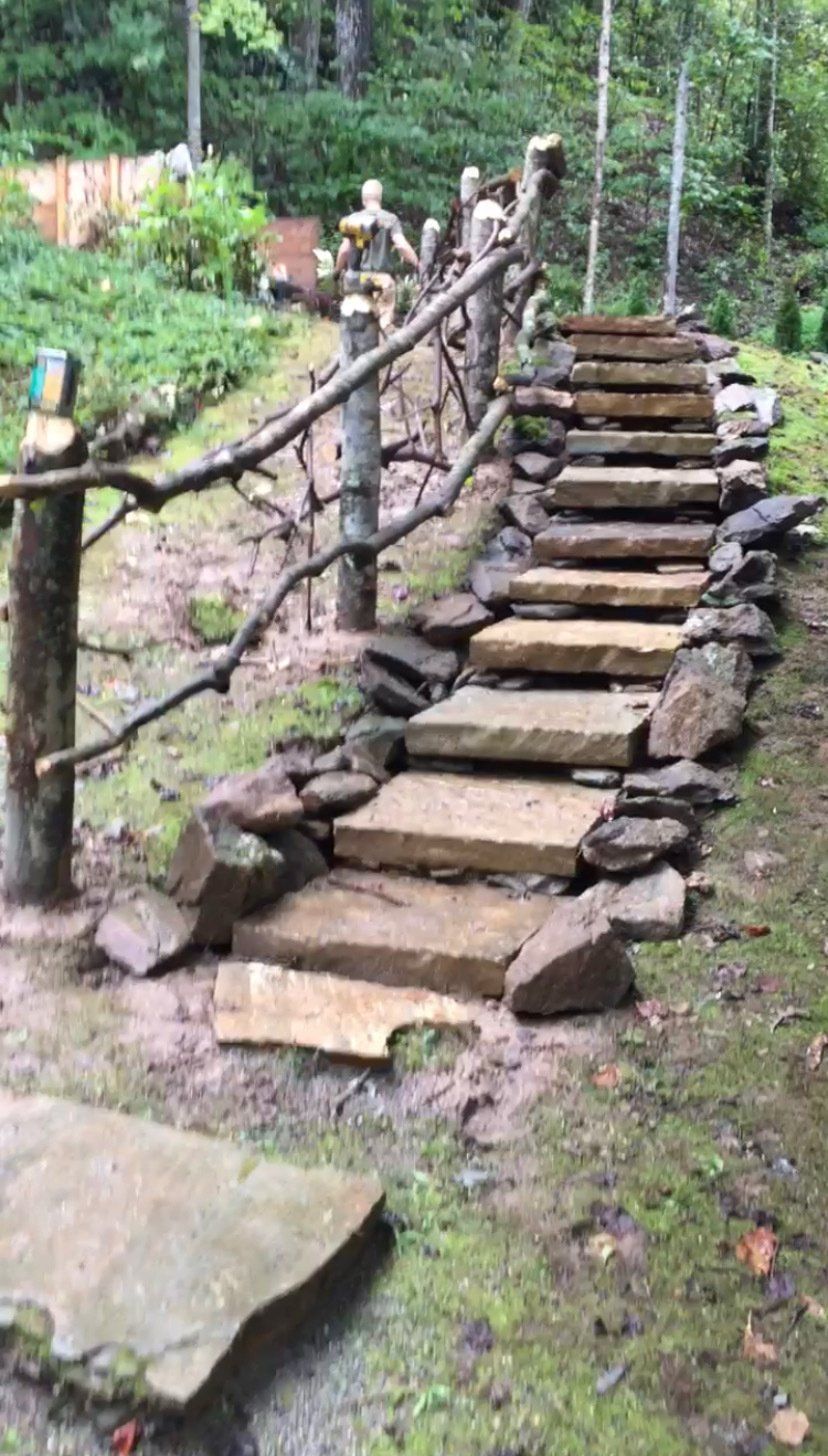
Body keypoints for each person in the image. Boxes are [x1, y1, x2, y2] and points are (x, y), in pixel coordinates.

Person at [335, 179, 419, 331]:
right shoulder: (390, 219)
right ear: (380, 198)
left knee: (358, 327)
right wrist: (417, 262)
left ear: (363, 199)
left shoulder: (353, 220)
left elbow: (345, 250)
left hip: (358, 281)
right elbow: (401, 244)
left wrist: (336, 272)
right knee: (383, 327)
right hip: (382, 281)